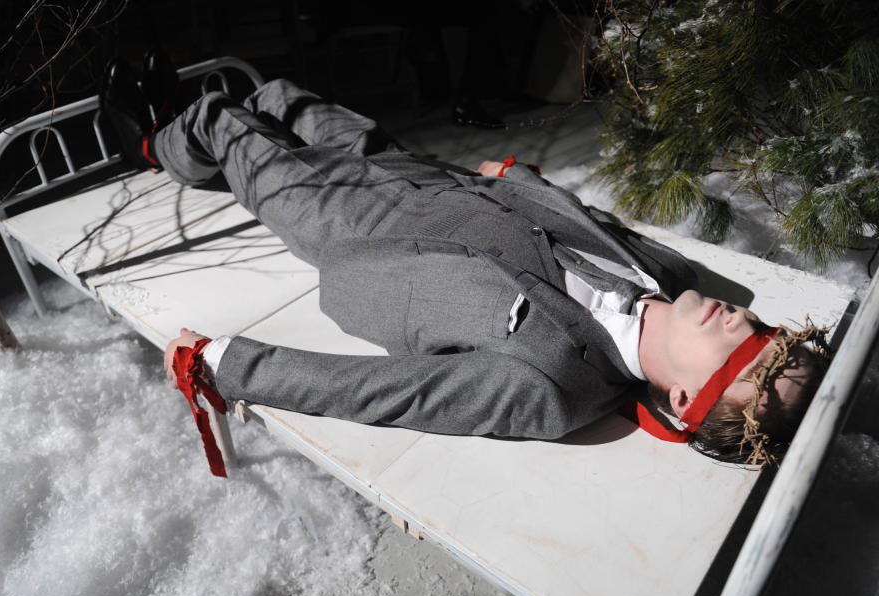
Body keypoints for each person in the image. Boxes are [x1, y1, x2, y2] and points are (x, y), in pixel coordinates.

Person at [99, 56, 829, 467]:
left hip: (356, 228)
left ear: (680, 399)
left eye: (744, 356)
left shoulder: (554, 385)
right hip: (424, 177)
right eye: (764, 329)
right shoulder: (673, 278)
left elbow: (394, 392)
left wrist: (229, 366)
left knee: (228, 123)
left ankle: (155, 133)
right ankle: (187, 126)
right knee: (281, 96)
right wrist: (518, 180)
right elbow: (597, 224)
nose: (742, 321)